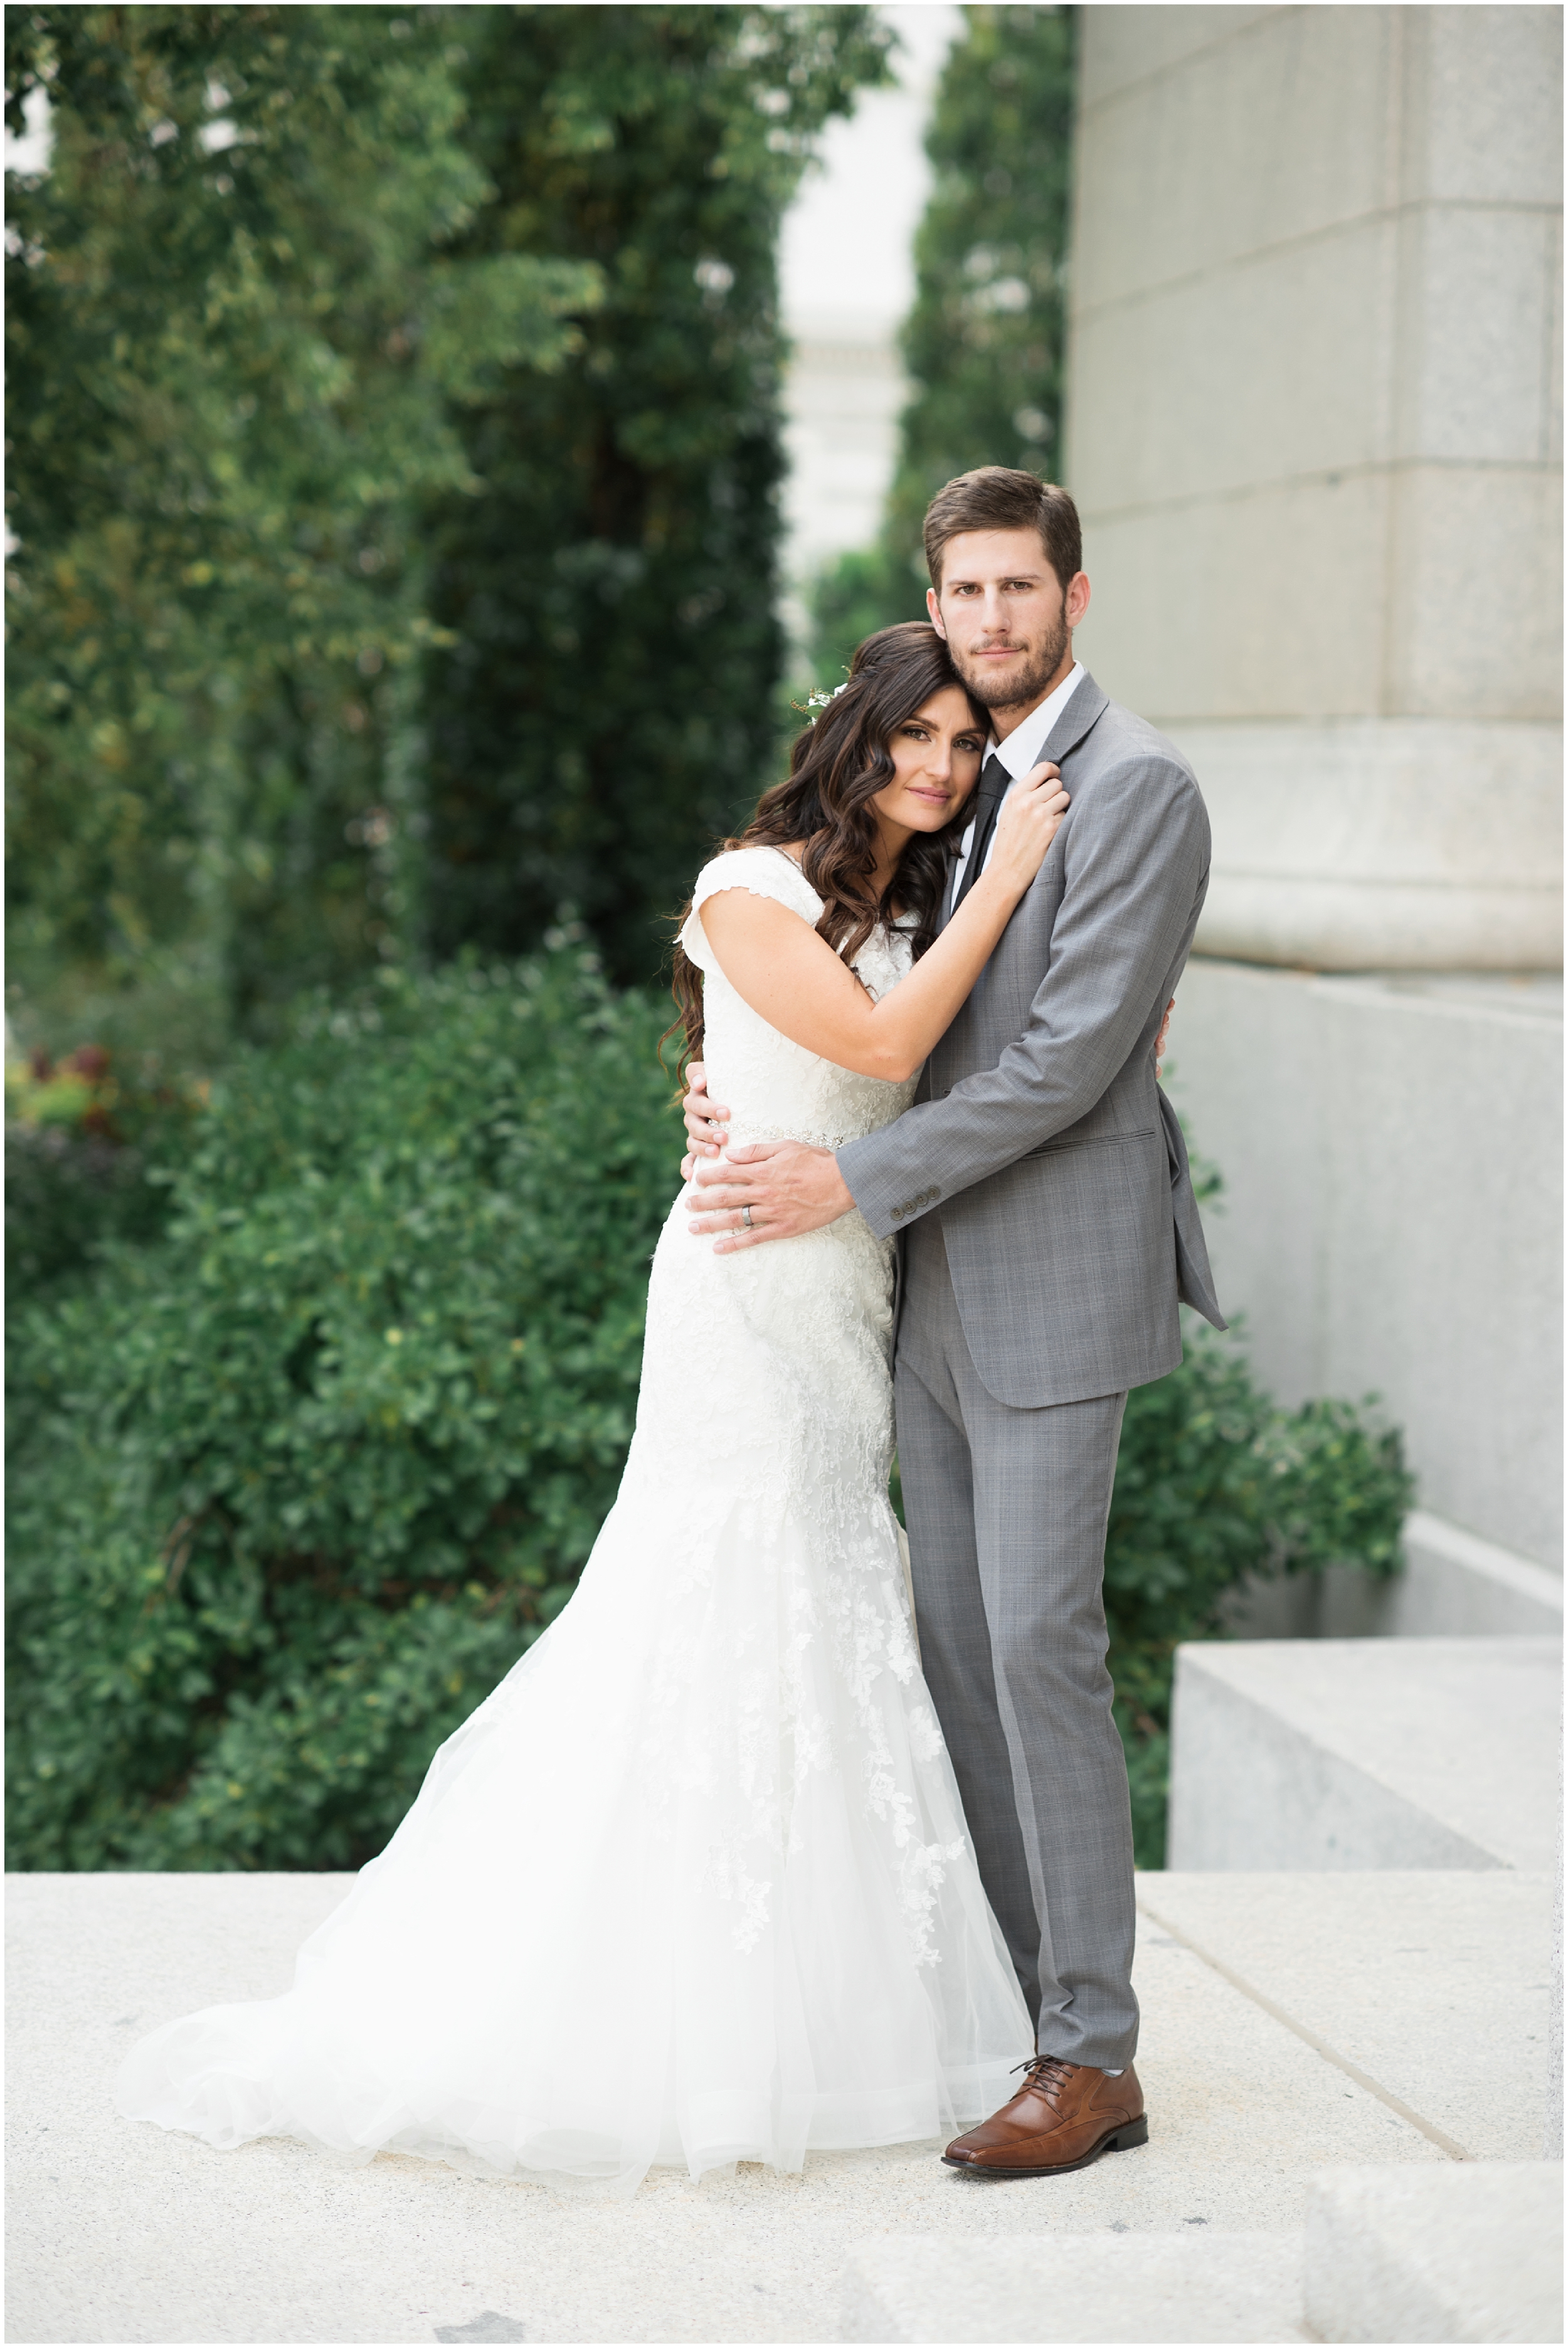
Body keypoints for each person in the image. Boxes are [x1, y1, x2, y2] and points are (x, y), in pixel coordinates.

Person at [115, 622, 1091, 2201]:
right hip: (736, 1297)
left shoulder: (904, 903)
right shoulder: (748, 885)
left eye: (965, 748)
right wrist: (1008, 865)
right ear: (854, 735)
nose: (938, 765)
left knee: (829, 1592)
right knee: (715, 1587)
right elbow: (876, 1042)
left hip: (845, 1292)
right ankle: (667, 2015)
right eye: (915, 735)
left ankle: (823, 2002)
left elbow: (901, 1066)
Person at [681, 467, 1225, 2179]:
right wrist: (731, 1093)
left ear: (1076, 592)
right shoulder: (959, 781)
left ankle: (1093, 2058)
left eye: (1017, 588)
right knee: (954, 1662)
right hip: (919, 1304)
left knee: (1041, 1654)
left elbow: (1067, 1062)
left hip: (1051, 1283)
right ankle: (1016, 2006)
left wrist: (846, 1184)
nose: (992, 619)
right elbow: (858, 1000)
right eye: (965, 592)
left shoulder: (1134, 789)